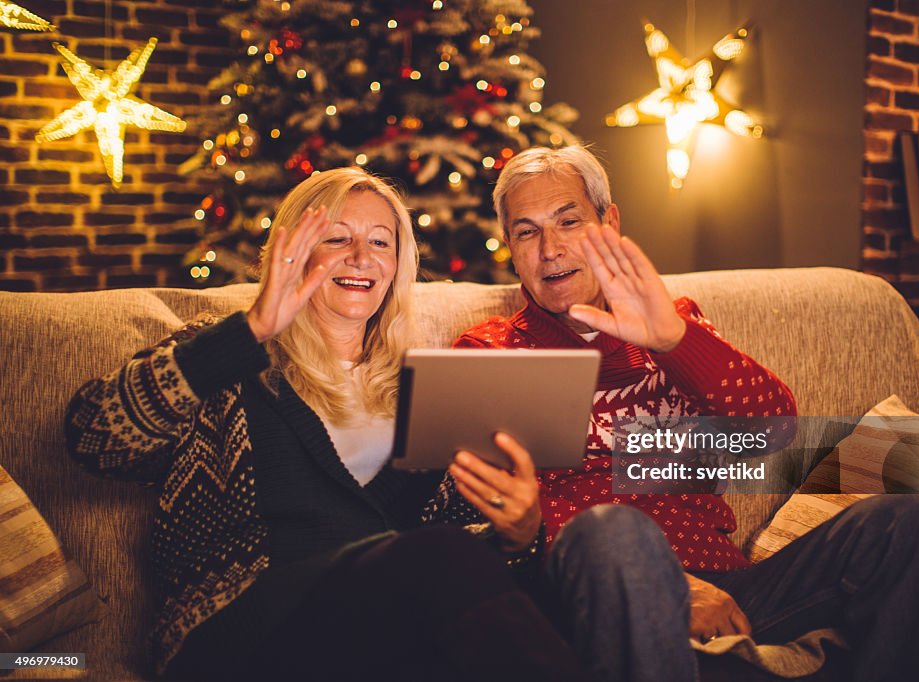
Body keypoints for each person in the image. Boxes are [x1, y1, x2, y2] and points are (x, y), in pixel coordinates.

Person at [444, 146, 919, 682]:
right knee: (613, 530)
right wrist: (672, 586)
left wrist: (674, 339)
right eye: (527, 232)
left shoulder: (675, 325)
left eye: (568, 221)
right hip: (598, 587)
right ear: (510, 247)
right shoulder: (491, 352)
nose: (550, 249)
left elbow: (773, 428)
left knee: (909, 520)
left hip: (732, 588)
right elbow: (499, 509)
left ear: (610, 223)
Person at [65, 167, 583, 682]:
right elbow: (96, 437)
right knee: (438, 559)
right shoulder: (228, 359)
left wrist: (519, 538)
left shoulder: (423, 389)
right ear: (296, 251)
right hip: (241, 634)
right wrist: (252, 331)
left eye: (381, 242)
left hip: (383, 637)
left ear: (397, 266)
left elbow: (471, 578)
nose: (361, 257)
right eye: (338, 238)